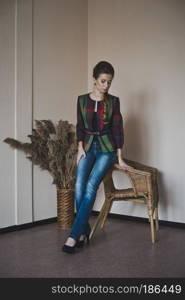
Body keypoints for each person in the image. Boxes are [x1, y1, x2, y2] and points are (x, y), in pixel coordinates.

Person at [62, 61, 133, 254]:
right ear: (95, 80)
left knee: (92, 185)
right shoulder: (82, 100)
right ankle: (84, 231)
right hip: (87, 147)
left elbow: (118, 129)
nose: (106, 86)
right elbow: (79, 126)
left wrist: (119, 157)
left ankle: (73, 235)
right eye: (103, 81)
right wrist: (79, 148)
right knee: (79, 185)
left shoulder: (114, 101)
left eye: (109, 82)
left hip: (106, 148)